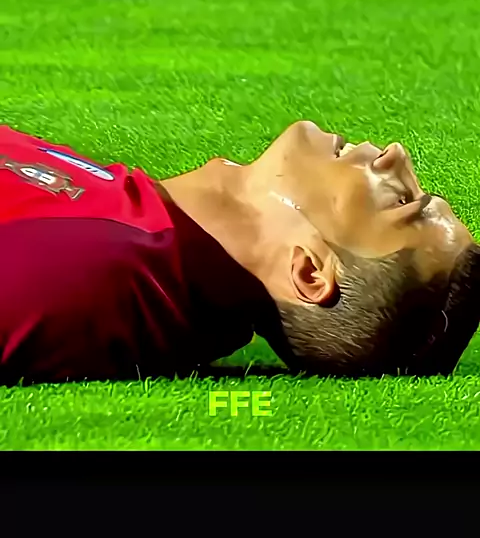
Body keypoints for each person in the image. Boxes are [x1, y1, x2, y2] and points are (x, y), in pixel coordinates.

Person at [0, 120, 477, 385]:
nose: (396, 155)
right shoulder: (145, 235)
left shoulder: (86, 273)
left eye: (401, 202)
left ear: (309, 272)